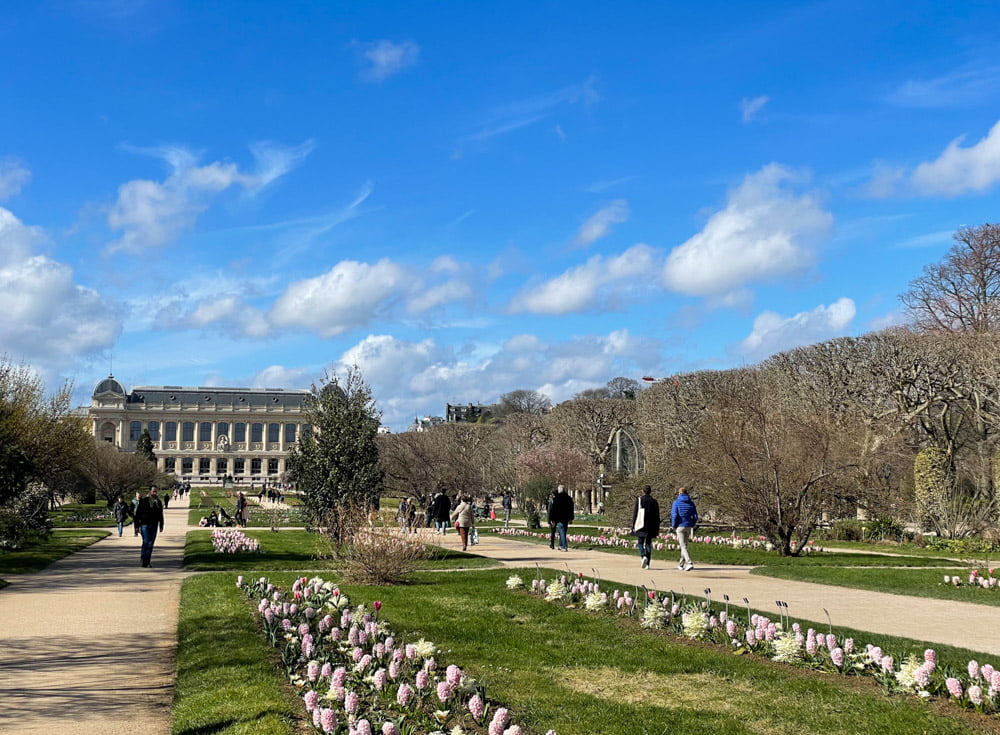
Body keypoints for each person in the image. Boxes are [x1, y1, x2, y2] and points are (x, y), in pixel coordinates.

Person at [134, 486, 165, 568]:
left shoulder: (158, 502)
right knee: (147, 542)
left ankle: (146, 560)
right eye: (153, 491)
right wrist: (136, 527)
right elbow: (137, 514)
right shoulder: (144, 501)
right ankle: (145, 561)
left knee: (150, 544)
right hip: (145, 525)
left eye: (156, 491)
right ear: (150, 491)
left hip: (154, 525)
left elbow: (160, 514)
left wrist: (161, 525)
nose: (155, 493)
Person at [631, 485, 661, 569]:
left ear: (642, 491)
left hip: (641, 524)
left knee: (640, 543)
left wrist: (633, 525)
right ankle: (648, 563)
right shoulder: (654, 501)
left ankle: (643, 555)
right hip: (651, 525)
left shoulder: (640, 500)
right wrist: (657, 527)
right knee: (648, 543)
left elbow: (635, 514)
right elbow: (657, 516)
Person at [671, 486, 699, 571]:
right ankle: (681, 564)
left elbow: (674, 515)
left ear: (679, 493)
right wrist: (692, 523)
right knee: (685, 546)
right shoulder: (691, 503)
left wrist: (674, 525)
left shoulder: (676, 502)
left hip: (680, 525)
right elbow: (695, 516)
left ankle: (689, 562)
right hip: (688, 525)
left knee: (683, 546)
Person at [547, 485, 574, 552]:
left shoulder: (556, 499)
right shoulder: (569, 498)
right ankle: (561, 545)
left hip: (559, 518)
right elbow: (571, 509)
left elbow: (553, 510)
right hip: (566, 518)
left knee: (562, 532)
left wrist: (552, 519)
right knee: (563, 531)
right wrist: (571, 518)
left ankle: (564, 546)